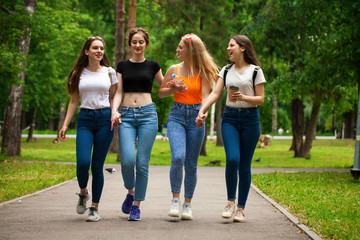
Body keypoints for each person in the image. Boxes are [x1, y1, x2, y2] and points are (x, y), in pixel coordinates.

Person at [196, 35, 266, 223]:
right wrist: (202, 110)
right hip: (230, 119)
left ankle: (241, 208)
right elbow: (215, 93)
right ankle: (230, 202)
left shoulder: (255, 71)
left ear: (242, 48)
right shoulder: (226, 71)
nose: (228, 49)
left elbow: (261, 99)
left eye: (232, 45)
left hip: (251, 120)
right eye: (228, 45)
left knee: (244, 165)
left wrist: (244, 97)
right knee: (233, 159)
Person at [58, 36, 120, 222]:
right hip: (85, 119)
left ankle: (95, 208)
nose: (99, 51)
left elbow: (114, 96)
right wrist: (65, 125)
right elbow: (74, 100)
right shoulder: (78, 72)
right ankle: (83, 192)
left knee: (97, 166)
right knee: (83, 162)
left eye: (101, 48)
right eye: (95, 48)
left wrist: (114, 113)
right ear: (87, 51)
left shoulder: (110, 72)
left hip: (104, 119)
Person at [158, 33, 218, 220]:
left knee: (191, 165)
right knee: (178, 157)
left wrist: (203, 113)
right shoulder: (173, 68)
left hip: (196, 116)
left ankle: (187, 204)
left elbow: (206, 96)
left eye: (180, 47)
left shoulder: (203, 71)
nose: (177, 50)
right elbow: (161, 93)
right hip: (176, 115)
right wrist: (174, 89)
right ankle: (175, 199)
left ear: (190, 50)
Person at [113, 28, 163, 221]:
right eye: (134, 42)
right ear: (130, 44)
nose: (137, 45)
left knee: (142, 163)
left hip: (148, 115)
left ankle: (136, 206)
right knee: (127, 160)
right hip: (125, 115)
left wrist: (176, 87)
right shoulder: (122, 66)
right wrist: (114, 111)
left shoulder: (153, 66)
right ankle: (131, 191)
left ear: (146, 44)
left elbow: (163, 88)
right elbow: (118, 92)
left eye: (141, 42)